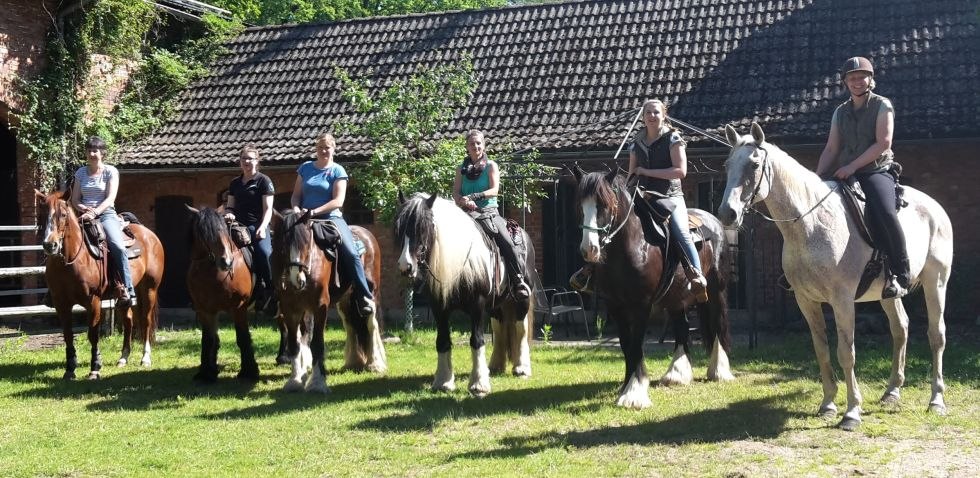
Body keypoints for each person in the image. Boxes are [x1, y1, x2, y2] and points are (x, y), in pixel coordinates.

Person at [816, 56, 910, 298]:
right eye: (852, 78)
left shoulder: (882, 105)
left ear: (870, 80)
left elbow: (883, 143)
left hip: (876, 171)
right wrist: (817, 177)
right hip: (846, 173)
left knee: (885, 211)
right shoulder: (840, 112)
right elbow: (831, 149)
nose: (857, 82)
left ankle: (901, 273)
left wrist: (852, 167)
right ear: (845, 82)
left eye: (861, 77)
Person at [627, 99, 708, 302]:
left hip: (670, 197)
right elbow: (631, 173)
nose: (652, 116)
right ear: (643, 117)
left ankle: (697, 276)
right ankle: (592, 271)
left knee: (680, 231)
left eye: (656, 112)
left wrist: (646, 171)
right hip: (643, 195)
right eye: (648, 113)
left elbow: (681, 171)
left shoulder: (673, 138)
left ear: (664, 115)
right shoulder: (636, 141)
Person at [290, 133, 375, 316]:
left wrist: (314, 211)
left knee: (351, 253)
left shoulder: (338, 171)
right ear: (316, 149)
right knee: (283, 243)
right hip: (304, 218)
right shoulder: (305, 168)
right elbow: (296, 195)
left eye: (327, 147)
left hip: (331, 218)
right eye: (320, 147)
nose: (323, 151)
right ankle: (276, 294)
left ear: (333, 149)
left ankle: (363, 295)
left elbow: (338, 201)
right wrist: (297, 209)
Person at [452, 129, 531, 300]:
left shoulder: (491, 166)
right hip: (466, 214)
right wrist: (463, 201)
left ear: (484, 145)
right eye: (472, 144)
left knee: (507, 242)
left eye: (479, 143)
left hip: (488, 213)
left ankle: (518, 281)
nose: (476, 146)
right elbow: (455, 194)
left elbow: (495, 190)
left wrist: (474, 197)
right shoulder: (461, 169)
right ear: (467, 147)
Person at [70, 136, 136, 306]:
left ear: (102, 153)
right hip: (84, 215)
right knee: (62, 241)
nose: (92, 153)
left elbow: (110, 198)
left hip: (106, 214)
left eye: (95, 150)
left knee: (118, 246)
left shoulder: (110, 171)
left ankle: (127, 289)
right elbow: (75, 199)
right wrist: (84, 209)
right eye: (89, 150)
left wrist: (96, 212)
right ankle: (55, 289)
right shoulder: (80, 173)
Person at [223, 144, 276, 313]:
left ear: (257, 161)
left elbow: (268, 209)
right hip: (236, 225)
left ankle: (270, 290)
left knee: (264, 252)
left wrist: (262, 227)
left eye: (250, 159)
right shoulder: (234, 183)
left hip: (256, 226)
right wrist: (229, 214)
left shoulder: (264, 181)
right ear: (240, 162)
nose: (247, 162)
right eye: (244, 159)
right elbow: (230, 206)